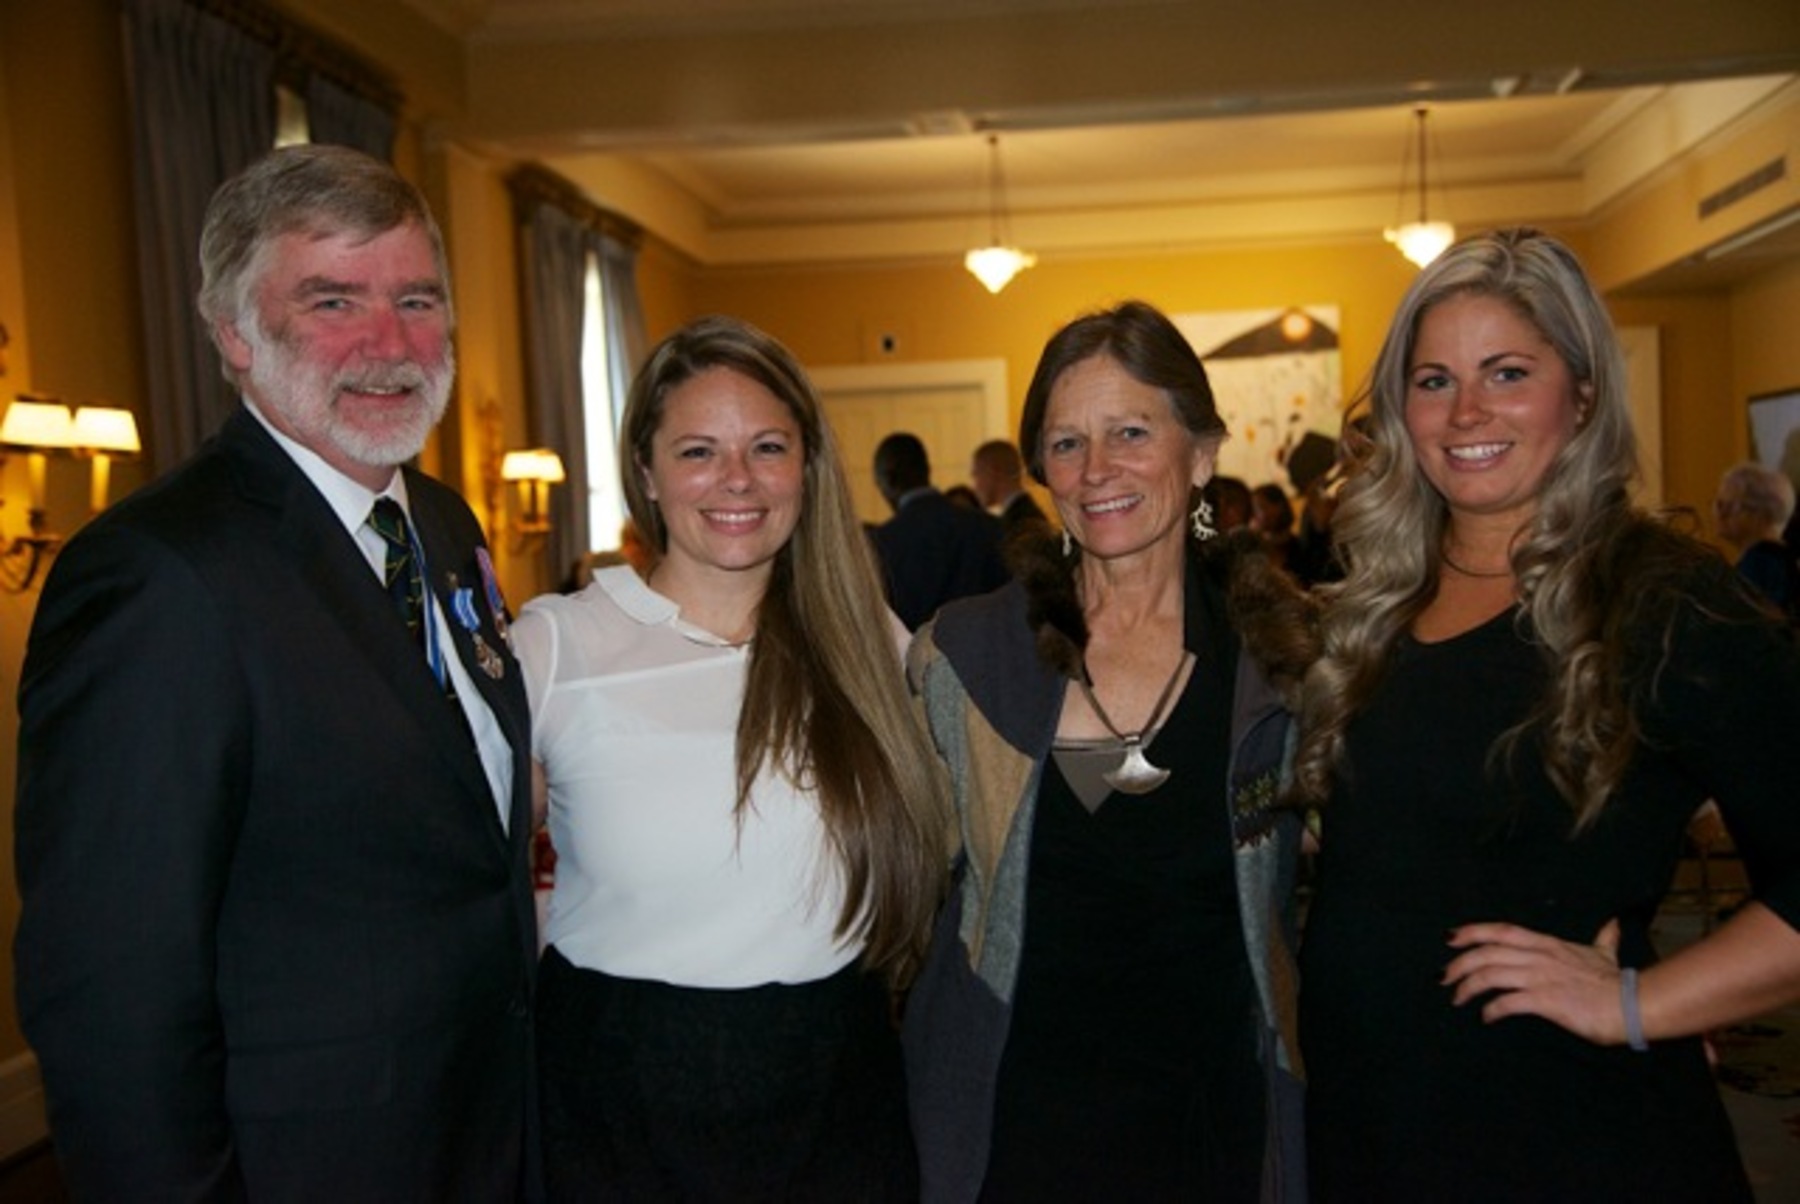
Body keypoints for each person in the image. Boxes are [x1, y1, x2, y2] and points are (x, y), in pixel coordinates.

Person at [13, 145, 537, 1199]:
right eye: (333, 299)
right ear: (232, 332)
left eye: (418, 298)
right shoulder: (158, 576)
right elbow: (115, 992)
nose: (390, 343)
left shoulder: (439, 522)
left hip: (486, 1132)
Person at [1292, 228, 1800, 1202]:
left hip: (1572, 1139)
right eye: (1433, 379)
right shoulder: (1377, 601)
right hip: (1374, 1134)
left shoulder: (1664, 603)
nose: (1466, 410)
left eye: (1508, 371)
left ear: (1585, 394)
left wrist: (1646, 1004)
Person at [513, 315, 948, 1200]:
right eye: (698, 451)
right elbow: (455, 879)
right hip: (615, 1104)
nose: (737, 480)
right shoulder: (556, 644)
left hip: (839, 1090)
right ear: (646, 470)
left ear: (807, 465)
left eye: (768, 447)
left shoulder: (870, 638)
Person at [903, 300, 1316, 1202]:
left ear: (1201, 452)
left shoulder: (1284, 667)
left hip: (1218, 1129)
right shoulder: (965, 659)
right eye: (1065, 443)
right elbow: (894, 892)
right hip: (1011, 1126)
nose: (1096, 472)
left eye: (1130, 431)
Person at [871, 431, 1008, 628]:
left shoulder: (882, 543)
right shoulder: (989, 527)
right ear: (926, 468)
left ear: (889, 479)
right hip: (989, 654)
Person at [1713, 460, 1798, 613]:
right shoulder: (1785, 561)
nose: (1720, 514)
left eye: (1726, 505)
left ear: (1760, 513)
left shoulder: (1759, 565)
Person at [969, 437, 1052, 538]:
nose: (974, 486)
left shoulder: (1020, 523)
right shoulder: (1025, 516)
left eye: (977, 475)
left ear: (994, 472)